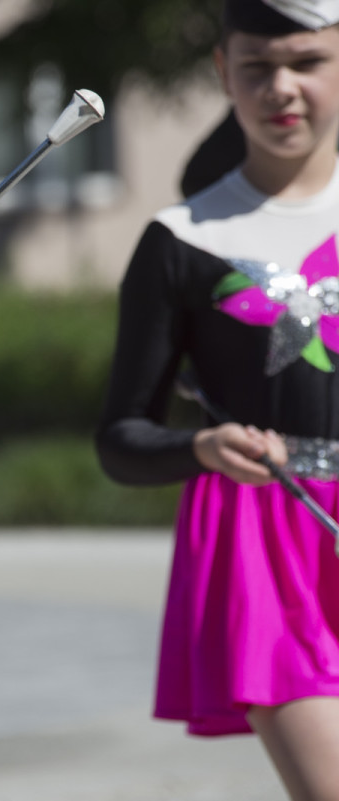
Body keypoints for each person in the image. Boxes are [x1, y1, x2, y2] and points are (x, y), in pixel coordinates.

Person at [96, 1, 339, 798]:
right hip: (266, 543)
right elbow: (121, 437)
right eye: (256, 66)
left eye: (307, 61)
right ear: (221, 71)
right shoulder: (182, 239)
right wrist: (199, 447)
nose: (282, 88)